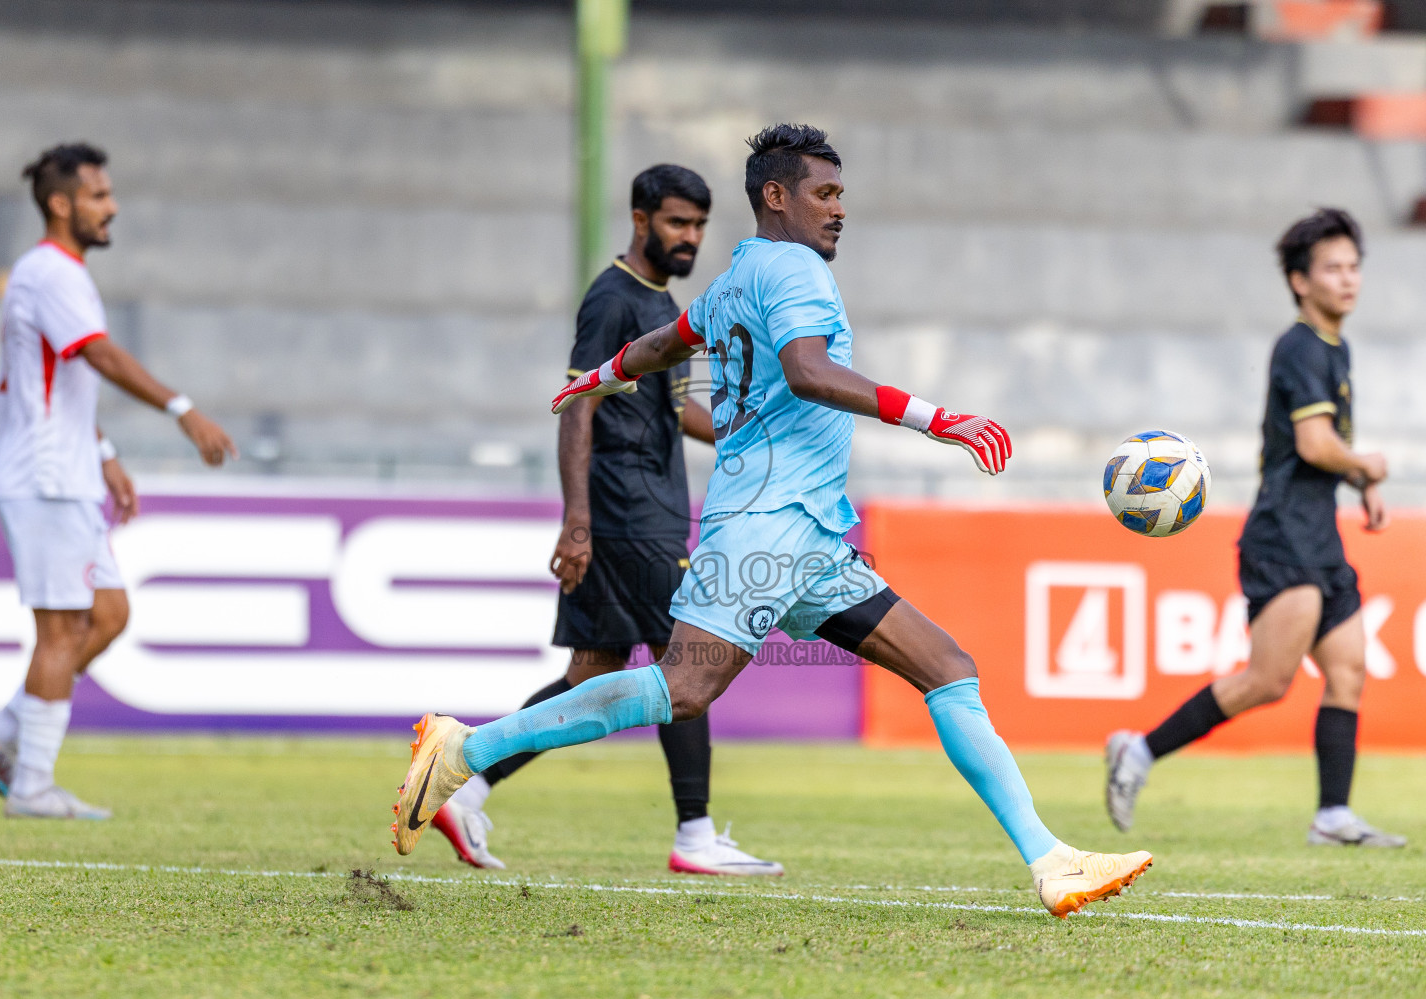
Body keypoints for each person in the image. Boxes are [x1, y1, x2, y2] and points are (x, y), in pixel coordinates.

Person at [390, 124, 1151, 918]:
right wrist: (937, 417)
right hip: (768, 523)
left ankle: (1049, 859)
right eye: (825, 193)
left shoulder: (736, 278)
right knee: (681, 691)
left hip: (810, 533)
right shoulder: (796, 273)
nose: (839, 209)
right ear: (776, 196)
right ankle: (468, 750)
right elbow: (808, 370)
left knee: (947, 665)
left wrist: (601, 378)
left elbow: (662, 343)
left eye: (841, 194)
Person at [430, 164, 782, 876]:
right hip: (628, 510)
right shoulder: (613, 298)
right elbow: (578, 402)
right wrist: (578, 522)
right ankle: (696, 835)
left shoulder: (659, 300)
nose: (690, 237)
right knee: (692, 661)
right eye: (678, 222)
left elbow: (668, 407)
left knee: (592, 671)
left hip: (641, 509)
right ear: (640, 216)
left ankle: (467, 784)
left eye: (700, 225)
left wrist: (750, 428)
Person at [1105, 208, 1404, 848]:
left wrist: (1361, 483)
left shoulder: (1334, 347)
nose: (1349, 279)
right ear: (1300, 281)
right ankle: (1140, 750)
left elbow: (1321, 450)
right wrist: (1366, 465)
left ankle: (1332, 816)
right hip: (1285, 534)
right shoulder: (1299, 347)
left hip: (1318, 533)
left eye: (1354, 267)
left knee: (1348, 669)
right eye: (1333, 268)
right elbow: (1316, 444)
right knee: (1268, 681)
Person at [0, 142, 237, 819]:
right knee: (62, 632)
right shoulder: (50, 272)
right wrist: (183, 409)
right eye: (98, 196)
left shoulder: (60, 273)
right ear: (62, 203)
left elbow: (63, 378)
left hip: (70, 470)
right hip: (46, 477)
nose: (111, 207)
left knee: (108, 616)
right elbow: (101, 355)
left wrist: (105, 452)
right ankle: (30, 786)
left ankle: (0, 736)